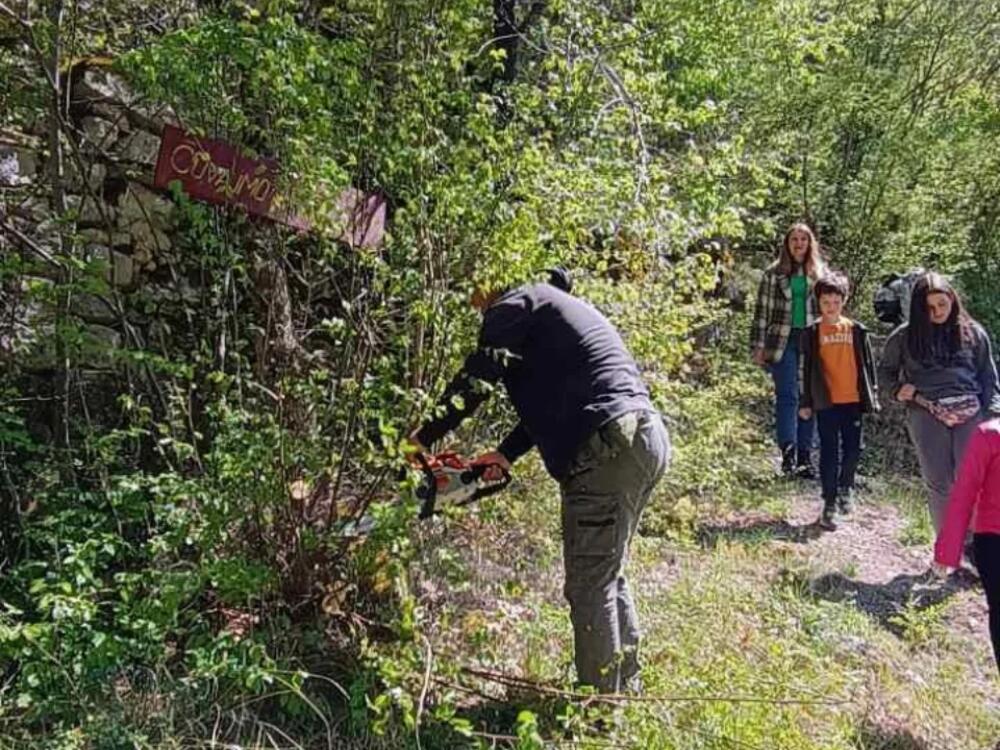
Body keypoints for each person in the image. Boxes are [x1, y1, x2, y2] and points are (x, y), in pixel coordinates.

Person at [409, 268, 670, 694]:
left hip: (606, 444)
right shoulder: (554, 311)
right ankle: (626, 689)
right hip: (643, 438)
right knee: (607, 572)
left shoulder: (513, 303)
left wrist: (421, 438)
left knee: (590, 583)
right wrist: (505, 454)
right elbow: (560, 397)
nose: (470, 296)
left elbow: (477, 380)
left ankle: (599, 714)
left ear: (492, 277)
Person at [878, 272, 1000, 533]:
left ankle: (976, 548)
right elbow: (885, 372)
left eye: (942, 304)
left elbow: (989, 378)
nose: (937, 311)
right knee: (939, 483)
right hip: (926, 411)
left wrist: (992, 416)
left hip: (970, 413)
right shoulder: (904, 336)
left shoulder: (973, 333)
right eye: (930, 307)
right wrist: (898, 390)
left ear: (952, 301)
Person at [798, 273, 880, 530]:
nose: (831, 307)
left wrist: (873, 394)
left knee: (854, 449)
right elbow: (807, 368)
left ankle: (847, 487)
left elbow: (867, 365)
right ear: (818, 303)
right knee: (829, 452)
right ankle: (829, 502)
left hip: (853, 400)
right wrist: (806, 401)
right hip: (827, 402)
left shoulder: (855, 330)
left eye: (835, 301)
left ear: (843, 301)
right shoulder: (812, 333)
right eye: (826, 302)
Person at [750, 222, 825, 477]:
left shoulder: (819, 274)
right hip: (782, 341)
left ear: (810, 244)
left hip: (812, 340)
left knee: (809, 397)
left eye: (803, 239)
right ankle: (788, 454)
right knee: (788, 396)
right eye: (794, 239)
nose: (799, 244)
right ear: (787, 243)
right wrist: (758, 345)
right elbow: (762, 312)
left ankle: (805, 456)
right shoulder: (774, 274)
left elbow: (830, 308)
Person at [934, 417, 1000, 673]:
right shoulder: (989, 436)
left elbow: (964, 494)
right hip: (993, 543)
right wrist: (947, 551)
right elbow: (964, 493)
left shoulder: (988, 434)